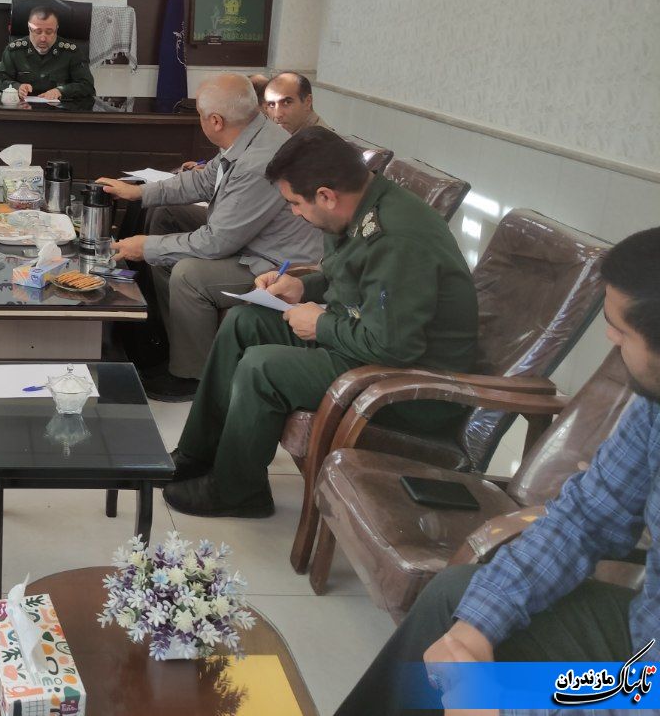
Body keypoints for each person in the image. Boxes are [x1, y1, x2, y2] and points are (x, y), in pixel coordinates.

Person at [337, 227, 660, 716]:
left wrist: (502, 707)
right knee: (458, 600)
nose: (610, 341)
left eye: (621, 331)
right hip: (641, 630)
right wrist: (476, 628)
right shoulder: (653, 406)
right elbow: (587, 517)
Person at [164, 127, 479, 517]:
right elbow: (349, 278)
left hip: (413, 383)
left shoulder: (397, 239)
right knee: (245, 322)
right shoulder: (358, 207)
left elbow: (394, 346)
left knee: (263, 367)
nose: (294, 213)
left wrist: (321, 324)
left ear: (327, 196)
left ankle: (238, 492)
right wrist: (301, 286)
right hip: (367, 340)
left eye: (295, 203)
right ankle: (199, 453)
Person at [95, 75, 322, 402]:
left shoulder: (261, 160)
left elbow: (216, 243)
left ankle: (193, 374)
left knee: (189, 274)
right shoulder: (250, 132)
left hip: (274, 259)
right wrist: (140, 193)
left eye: (200, 115)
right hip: (247, 234)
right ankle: (162, 333)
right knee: (165, 213)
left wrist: (146, 247)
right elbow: (202, 182)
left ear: (215, 121)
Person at [0, 5, 96, 109]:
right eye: (37, 31)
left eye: (49, 32)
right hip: (23, 112)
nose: (43, 38)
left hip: (60, 113)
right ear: (29, 29)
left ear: (56, 29)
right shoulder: (14, 51)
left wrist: (61, 91)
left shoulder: (71, 52)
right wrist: (17, 87)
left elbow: (87, 86)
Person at [264, 72, 330, 135]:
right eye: (271, 105)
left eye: (287, 102)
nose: (277, 115)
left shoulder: (323, 141)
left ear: (308, 102)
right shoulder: (287, 135)